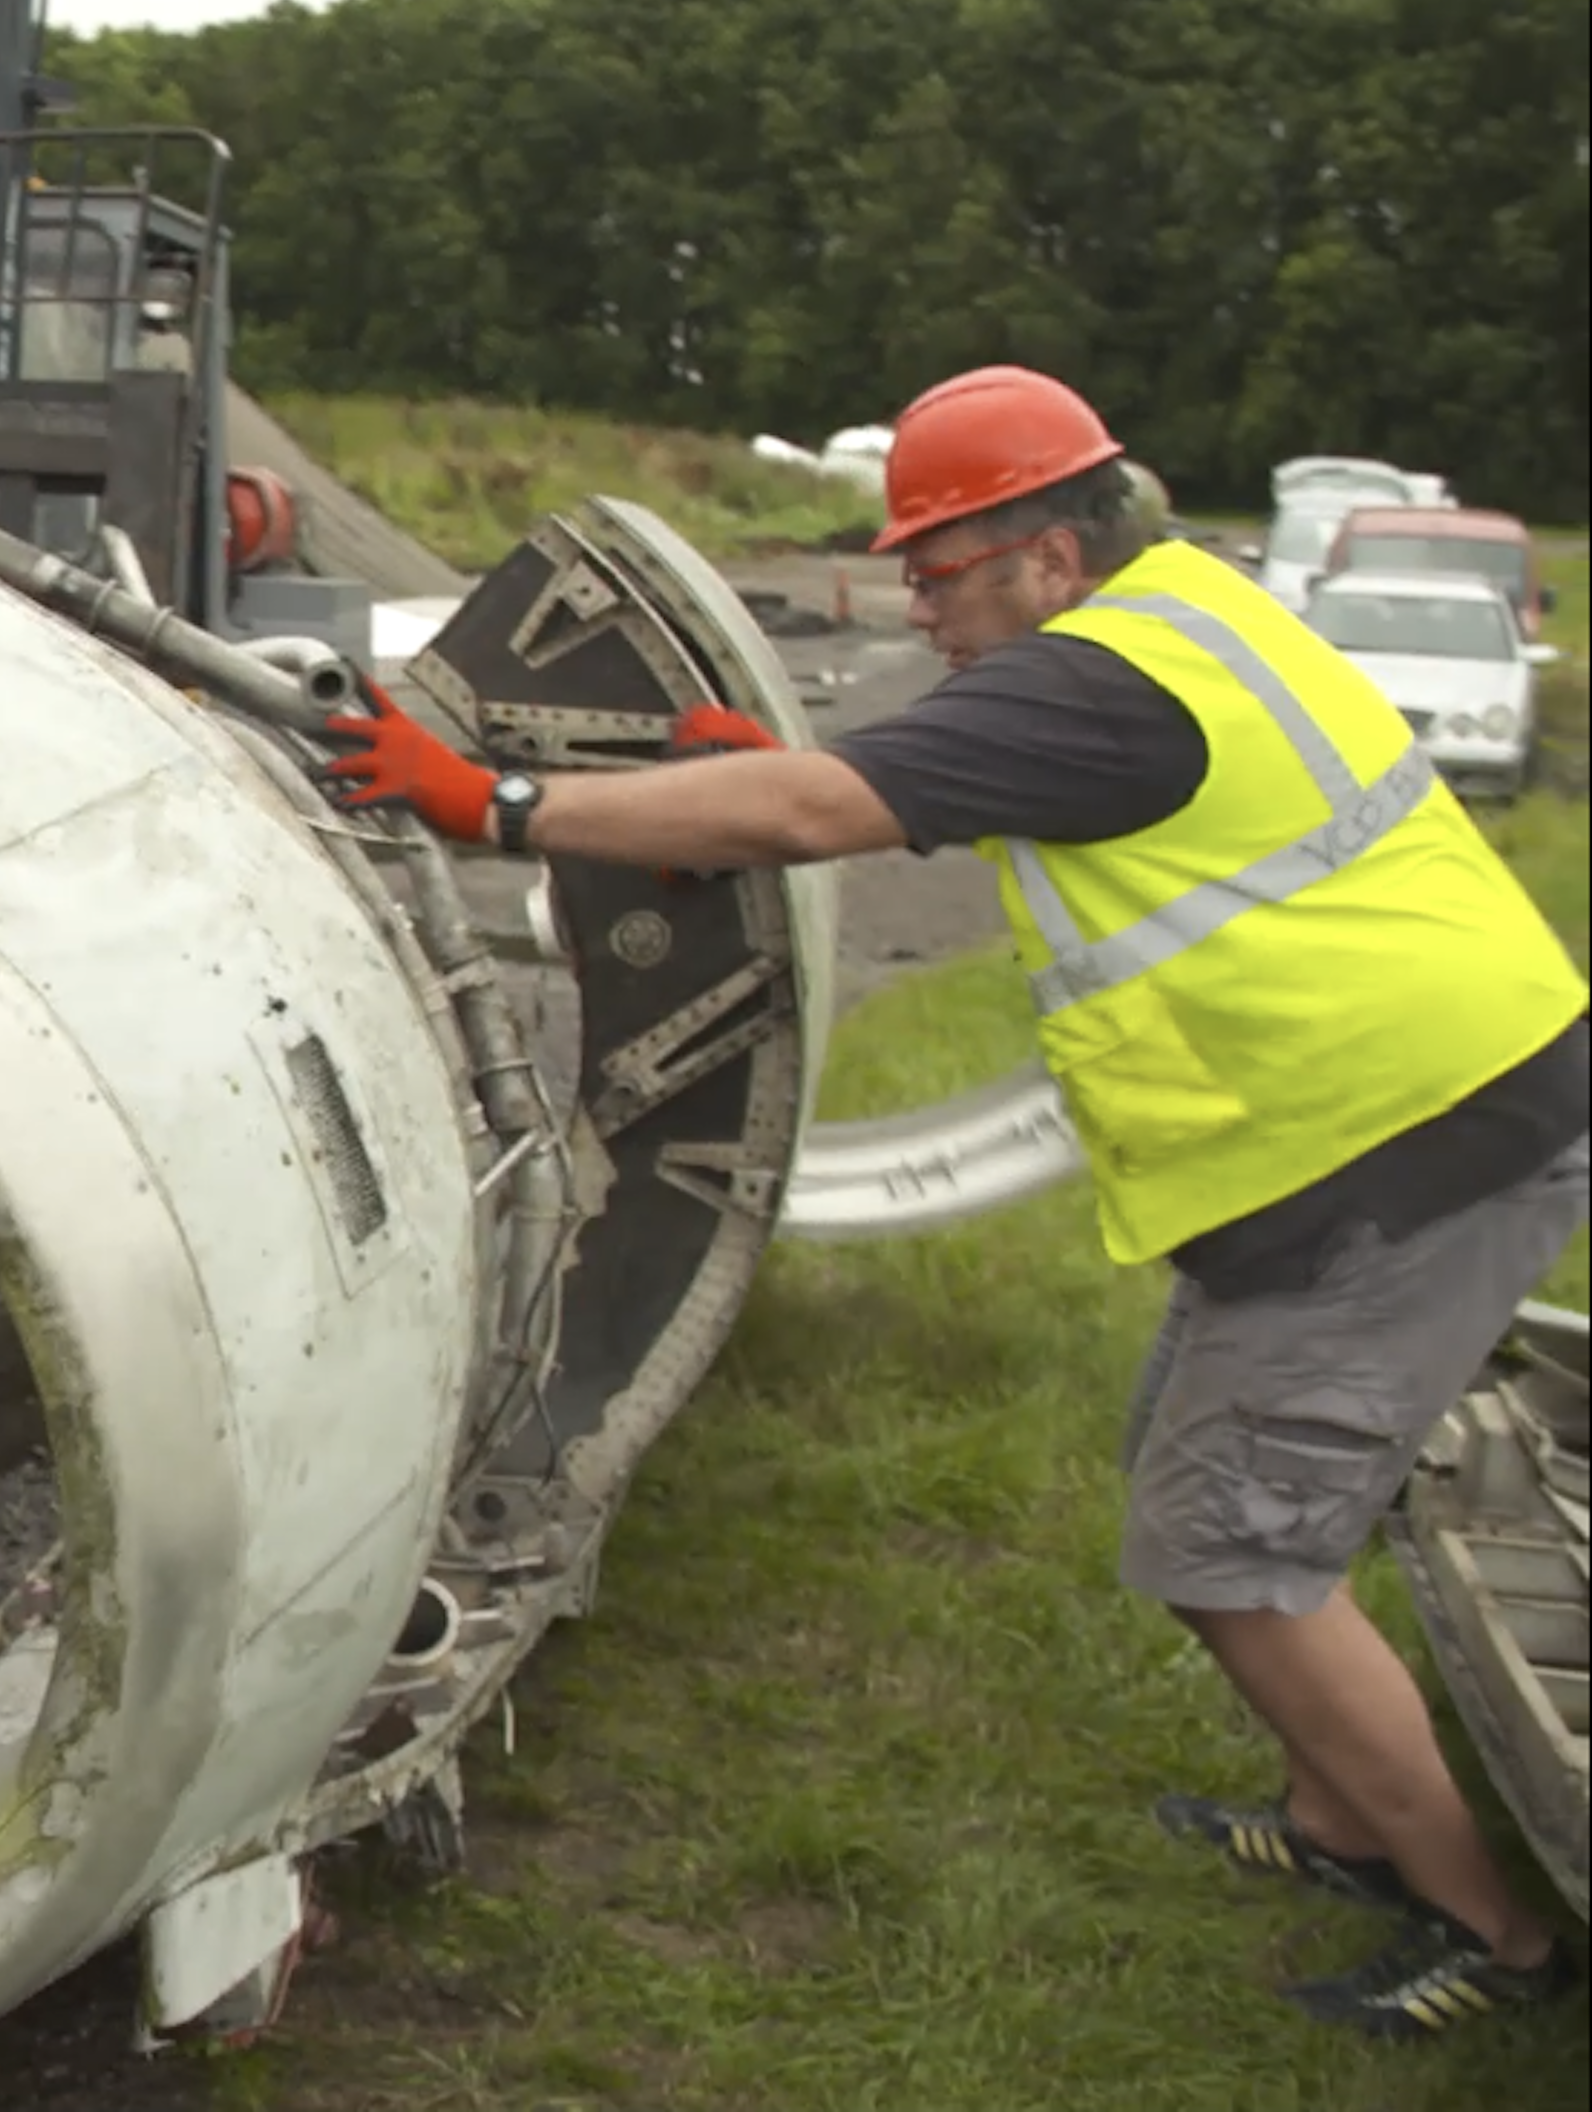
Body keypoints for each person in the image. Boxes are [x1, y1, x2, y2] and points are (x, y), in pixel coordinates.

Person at [308, 363, 1586, 2041]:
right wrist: (765, 776)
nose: (914, 597)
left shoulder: (1097, 681)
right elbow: (934, 791)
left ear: (1050, 553)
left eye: (938, 567)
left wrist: (498, 801)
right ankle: (1345, 1814)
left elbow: (824, 809)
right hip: (1389, 1119)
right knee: (1199, 1476)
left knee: (1229, 1548)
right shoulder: (1190, 612)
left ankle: (1494, 1930)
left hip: (1399, 1145)